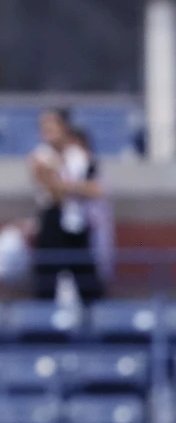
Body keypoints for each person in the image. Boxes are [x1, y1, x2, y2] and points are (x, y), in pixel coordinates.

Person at [28, 107, 104, 301]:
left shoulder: (79, 156)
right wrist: (75, 187)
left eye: (52, 126)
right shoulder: (40, 156)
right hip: (52, 220)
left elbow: (96, 190)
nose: (47, 131)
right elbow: (56, 194)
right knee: (47, 280)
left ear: (64, 128)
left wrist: (64, 181)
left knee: (86, 280)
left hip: (78, 222)